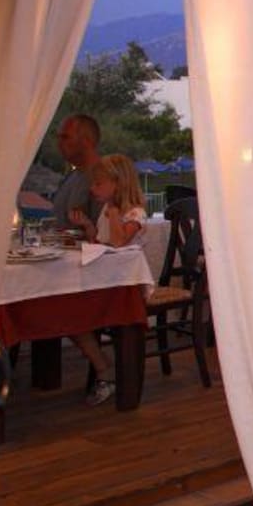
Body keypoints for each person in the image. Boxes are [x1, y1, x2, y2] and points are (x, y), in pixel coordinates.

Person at [68, 154, 147, 406]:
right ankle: (103, 366)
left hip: (124, 289)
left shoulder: (135, 213)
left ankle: (105, 371)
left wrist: (113, 210)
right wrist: (88, 226)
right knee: (68, 315)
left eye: (98, 183)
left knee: (74, 314)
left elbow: (118, 242)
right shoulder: (105, 212)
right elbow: (101, 243)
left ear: (118, 184)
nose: (93, 189)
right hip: (104, 282)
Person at [51, 114, 104, 228]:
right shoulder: (70, 177)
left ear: (87, 141)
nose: (59, 143)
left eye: (65, 137)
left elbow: (107, 230)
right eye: (58, 137)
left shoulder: (105, 178)